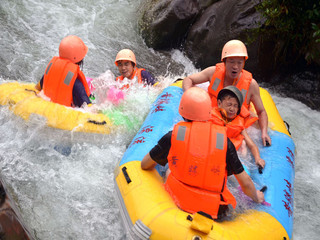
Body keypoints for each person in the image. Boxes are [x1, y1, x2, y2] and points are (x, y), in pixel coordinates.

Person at [141, 87, 264, 219]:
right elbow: (245, 183)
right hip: (213, 211)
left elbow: (145, 164)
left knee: (169, 170)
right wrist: (257, 197)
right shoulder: (224, 142)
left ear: (182, 112)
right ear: (209, 112)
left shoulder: (173, 136)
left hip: (178, 203)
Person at [182, 39, 271, 146]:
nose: (235, 66)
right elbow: (188, 80)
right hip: (212, 118)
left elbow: (261, 112)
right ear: (224, 62)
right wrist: (190, 96)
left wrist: (264, 132)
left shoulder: (251, 85)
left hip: (236, 127)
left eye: (239, 62)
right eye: (232, 61)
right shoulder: (213, 72)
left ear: (244, 63)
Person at [211, 86, 265, 169]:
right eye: (229, 105)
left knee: (243, 143)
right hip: (216, 154)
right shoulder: (211, 118)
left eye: (235, 106)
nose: (232, 109)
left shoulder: (239, 125)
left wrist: (258, 158)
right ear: (219, 103)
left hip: (234, 156)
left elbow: (252, 145)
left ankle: (243, 165)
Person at [35, 35, 92, 108]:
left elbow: (36, 89)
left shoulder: (49, 74)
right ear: (79, 60)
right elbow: (89, 108)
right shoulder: (77, 84)